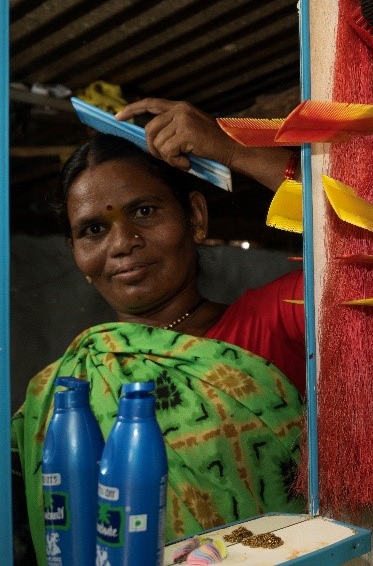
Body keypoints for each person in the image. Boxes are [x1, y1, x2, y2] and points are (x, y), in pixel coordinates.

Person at [12, 98, 306, 565]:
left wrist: (232, 151)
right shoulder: (65, 387)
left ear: (196, 216)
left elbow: (367, 236)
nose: (122, 243)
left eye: (144, 212)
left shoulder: (277, 318)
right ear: (75, 254)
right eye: (93, 229)